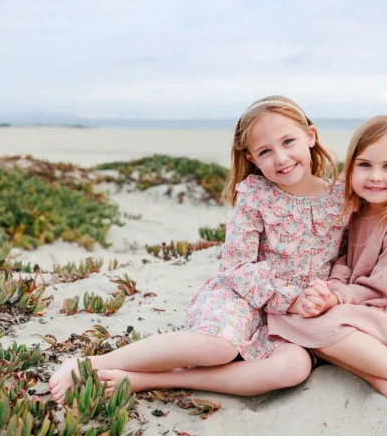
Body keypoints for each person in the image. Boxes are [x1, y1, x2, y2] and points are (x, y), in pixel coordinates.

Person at [48, 95, 348, 400]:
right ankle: (87, 364)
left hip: (299, 314)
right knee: (220, 347)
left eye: (288, 142)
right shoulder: (255, 196)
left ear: (310, 136)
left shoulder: (342, 197)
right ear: (253, 159)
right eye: (265, 151)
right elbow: (236, 267)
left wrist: (326, 296)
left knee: (293, 369)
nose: (281, 158)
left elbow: (354, 256)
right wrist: (288, 298)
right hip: (244, 296)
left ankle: (150, 380)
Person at [268, 115, 387, 410]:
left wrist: (337, 298)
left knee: (321, 323)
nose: (375, 177)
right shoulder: (357, 205)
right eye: (365, 165)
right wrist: (332, 288)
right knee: (289, 314)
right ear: (351, 165)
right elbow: (344, 256)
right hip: (356, 291)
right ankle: (369, 371)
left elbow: (379, 288)